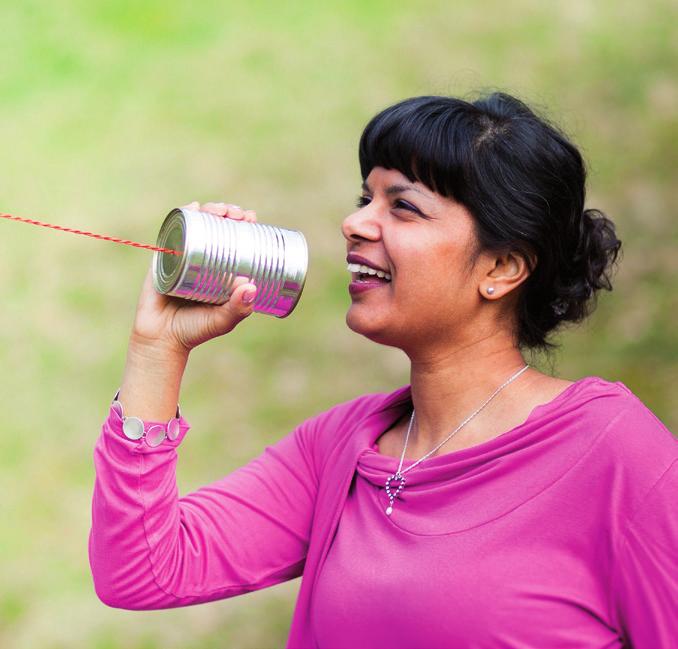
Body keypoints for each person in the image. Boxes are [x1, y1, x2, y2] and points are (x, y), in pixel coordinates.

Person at [89, 93, 677, 649]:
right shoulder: (341, 448)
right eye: (364, 198)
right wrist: (157, 349)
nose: (356, 223)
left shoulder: (614, 453)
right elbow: (141, 571)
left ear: (501, 266)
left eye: (403, 206)